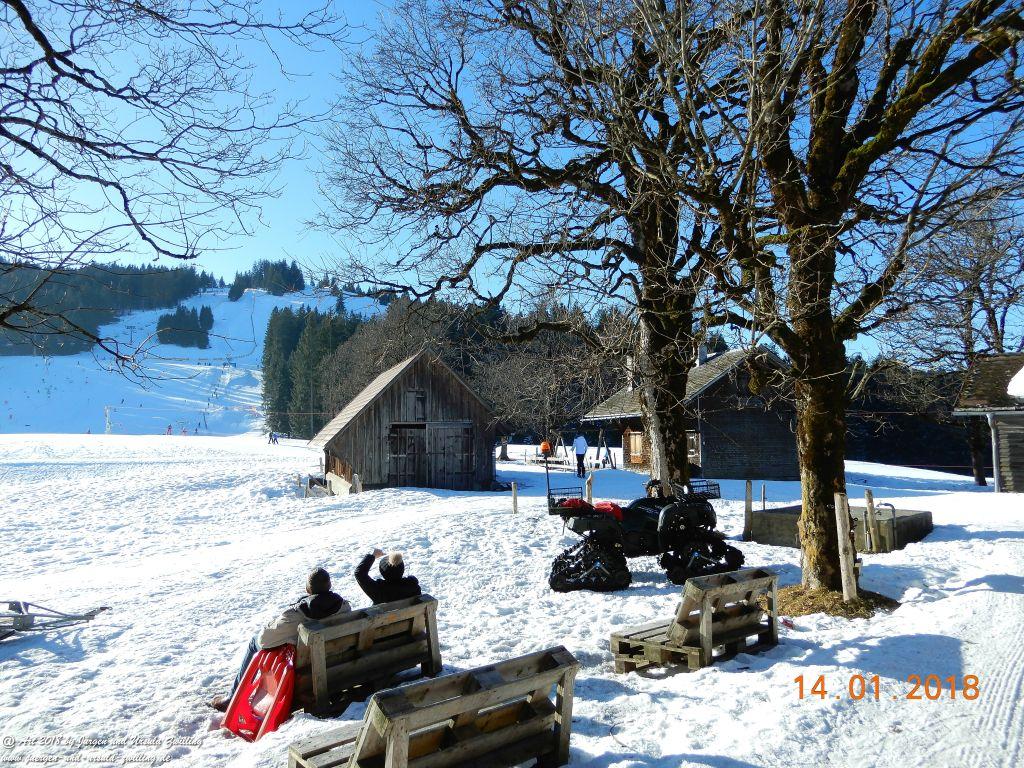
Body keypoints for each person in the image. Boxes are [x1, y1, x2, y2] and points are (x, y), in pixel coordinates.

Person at [208, 567, 349, 711]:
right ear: (329, 585)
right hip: (336, 667)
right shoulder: (344, 607)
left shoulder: (294, 616)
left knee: (254, 643)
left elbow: (264, 640)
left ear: (308, 590)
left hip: (305, 671)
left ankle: (232, 698)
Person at [354, 549, 422, 605]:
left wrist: (373, 556)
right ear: (402, 570)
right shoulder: (413, 587)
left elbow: (359, 573)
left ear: (382, 572)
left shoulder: (378, 591)